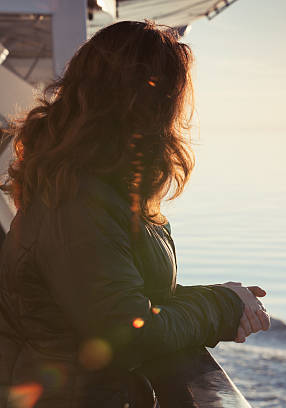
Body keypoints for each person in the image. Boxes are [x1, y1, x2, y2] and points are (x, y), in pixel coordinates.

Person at [0, 20, 270, 407]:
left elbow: (118, 296)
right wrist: (222, 309)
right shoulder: (78, 203)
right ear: (149, 105)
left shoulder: (94, 188)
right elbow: (129, 333)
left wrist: (224, 299)